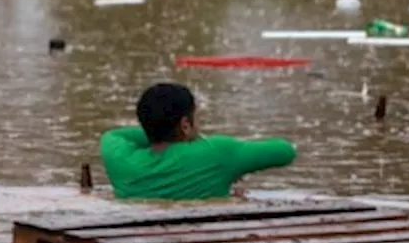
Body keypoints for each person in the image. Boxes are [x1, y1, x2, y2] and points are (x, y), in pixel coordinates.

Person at [100, 83, 296, 201]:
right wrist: (202, 144)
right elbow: (286, 151)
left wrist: (156, 131)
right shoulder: (217, 153)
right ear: (185, 124)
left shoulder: (120, 159)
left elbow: (115, 135)